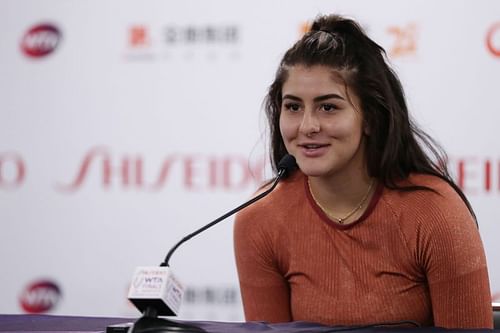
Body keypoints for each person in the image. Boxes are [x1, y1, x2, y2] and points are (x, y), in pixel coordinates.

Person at [233, 14, 493, 329]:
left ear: (370, 117)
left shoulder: (435, 214)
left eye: (328, 107)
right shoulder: (259, 218)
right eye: (293, 107)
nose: (307, 126)